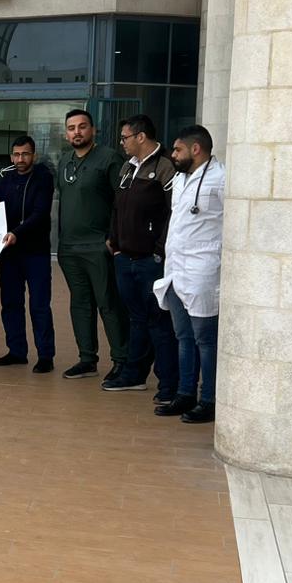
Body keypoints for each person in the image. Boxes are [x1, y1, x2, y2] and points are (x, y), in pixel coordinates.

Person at [155, 125, 224, 424]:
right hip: (176, 269)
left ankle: (209, 400)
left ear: (195, 149)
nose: (173, 154)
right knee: (183, 336)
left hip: (202, 269)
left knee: (205, 340)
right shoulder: (180, 178)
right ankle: (185, 394)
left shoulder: (221, 178)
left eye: (177, 149)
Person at [105, 115, 179, 399]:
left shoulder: (165, 166)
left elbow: (173, 212)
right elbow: (117, 206)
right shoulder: (127, 167)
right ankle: (133, 375)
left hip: (151, 260)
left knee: (159, 322)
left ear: (141, 136)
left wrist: (159, 250)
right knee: (136, 319)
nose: (121, 143)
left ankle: (168, 385)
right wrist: (114, 241)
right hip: (124, 258)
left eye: (125, 137)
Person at [57, 108, 128, 381]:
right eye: (71, 128)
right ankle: (87, 359)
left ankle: (121, 360)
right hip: (69, 248)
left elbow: (122, 201)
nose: (77, 132)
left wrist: (113, 238)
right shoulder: (64, 161)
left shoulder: (109, 158)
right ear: (66, 134)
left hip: (98, 246)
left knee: (108, 304)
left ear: (93, 130)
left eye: (82, 126)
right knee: (80, 304)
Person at [0, 136, 55, 372]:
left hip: (36, 252)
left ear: (33, 155)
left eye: (25, 154)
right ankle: (16, 351)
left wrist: (17, 233)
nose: (20, 159)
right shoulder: (7, 178)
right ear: (11, 156)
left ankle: (45, 356)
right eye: (16, 154)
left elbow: (40, 213)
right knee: (10, 303)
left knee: (39, 305)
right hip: (10, 254)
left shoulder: (43, 177)